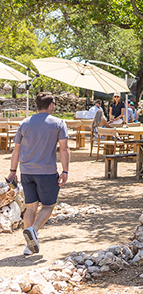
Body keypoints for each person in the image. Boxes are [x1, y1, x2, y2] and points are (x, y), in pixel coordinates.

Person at [6, 92, 70, 256]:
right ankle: (33, 230)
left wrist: (12, 171)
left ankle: (29, 246)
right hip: (47, 172)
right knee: (48, 206)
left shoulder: (24, 123)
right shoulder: (59, 123)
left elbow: (16, 149)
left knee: (31, 207)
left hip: (26, 171)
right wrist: (65, 171)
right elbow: (64, 149)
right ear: (51, 105)